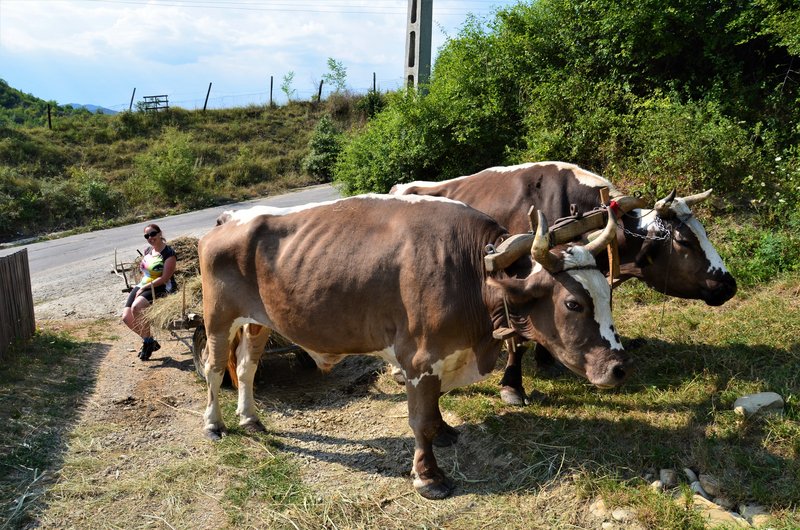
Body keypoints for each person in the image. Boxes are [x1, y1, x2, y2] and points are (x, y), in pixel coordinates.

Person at [122, 223, 178, 360]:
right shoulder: (148, 251)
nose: (150, 237)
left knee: (137, 307)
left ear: (160, 234)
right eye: (147, 235)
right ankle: (150, 340)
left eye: (153, 234)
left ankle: (147, 343)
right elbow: (146, 271)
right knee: (126, 317)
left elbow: (165, 278)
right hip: (144, 284)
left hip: (161, 286)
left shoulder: (168, 253)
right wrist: (141, 285)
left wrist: (144, 288)